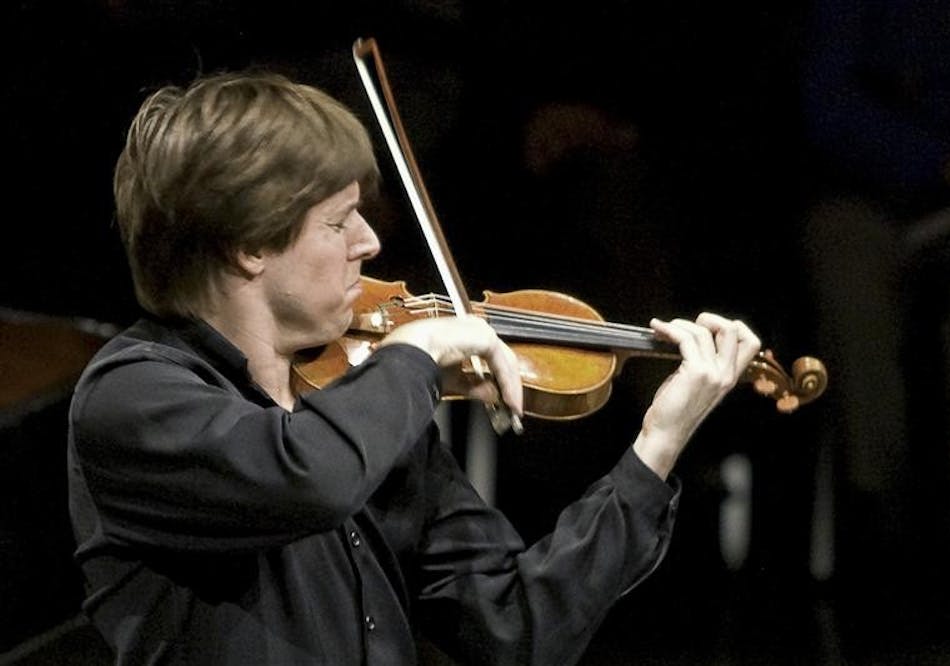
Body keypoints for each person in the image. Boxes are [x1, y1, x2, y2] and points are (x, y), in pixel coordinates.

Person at [67, 69, 761, 665]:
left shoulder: (365, 402)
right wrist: (416, 357)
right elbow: (304, 476)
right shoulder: (133, 397)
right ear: (249, 244)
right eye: (338, 223)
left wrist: (656, 447)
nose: (370, 242)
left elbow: (516, 630)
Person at [799, 0, 950, 642]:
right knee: (847, 273)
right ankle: (877, 522)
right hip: (872, 194)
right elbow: (826, 101)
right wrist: (937, 161)